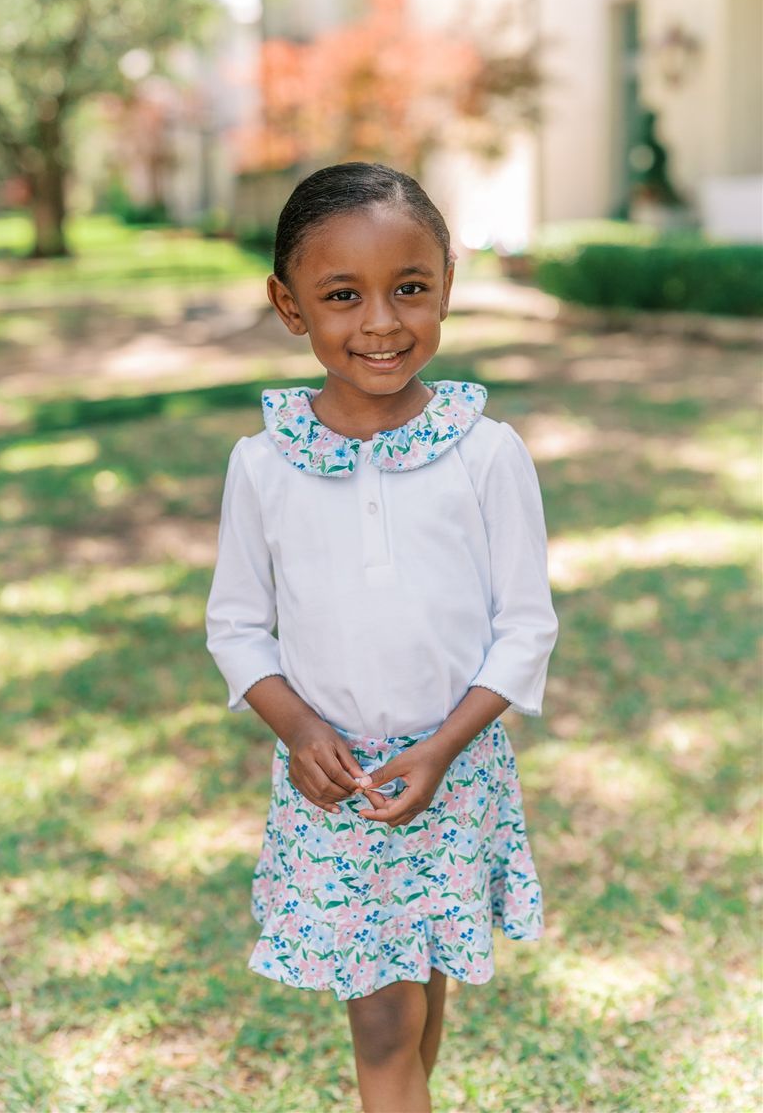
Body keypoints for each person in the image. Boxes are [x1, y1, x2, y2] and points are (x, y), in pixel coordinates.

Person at [205, 161, 559, 1113]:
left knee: (422, 992)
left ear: (448, 282)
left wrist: (444, 749)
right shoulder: (264, 465)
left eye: (410, 289)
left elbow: (525, 629)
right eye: (342, 295)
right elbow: (236, 626)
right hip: (341, 791)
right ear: (289, 306)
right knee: (382, 1027)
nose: (381, 324)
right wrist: (297, 730)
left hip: (456, 774)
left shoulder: (487, 454)